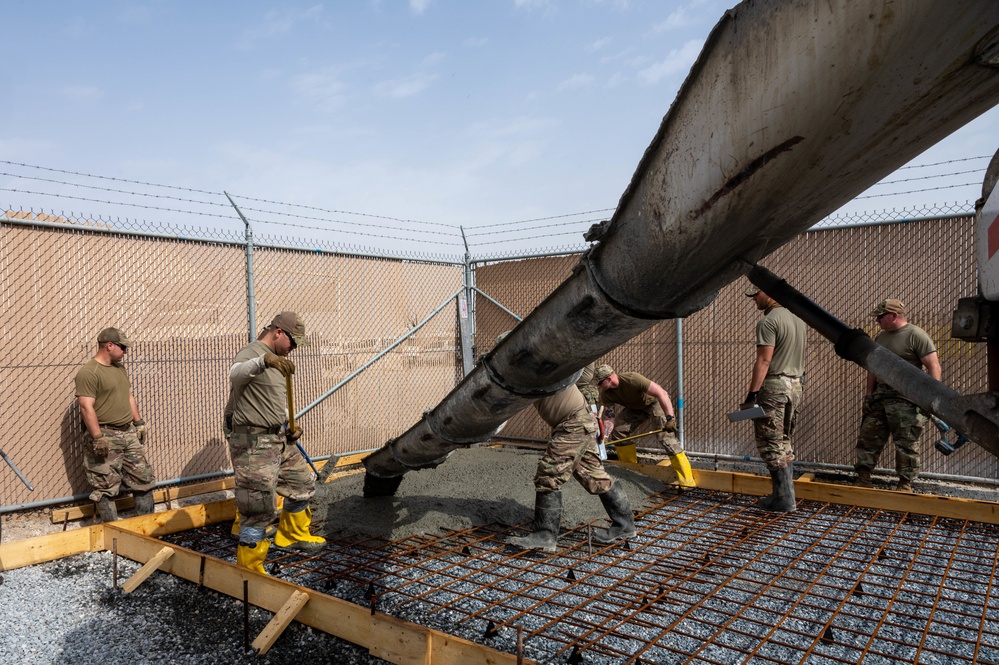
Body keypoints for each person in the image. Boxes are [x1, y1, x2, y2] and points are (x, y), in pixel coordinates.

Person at [497, 335, 635, 551]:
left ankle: (544, 537)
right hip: (580, 422)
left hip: (572, 424)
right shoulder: (531, 368)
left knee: (549, 475)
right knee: (594, 477)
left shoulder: (535, 367)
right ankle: (625, 525)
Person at [228, 311, 325, 574]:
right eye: (292, 342)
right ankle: (249, 566)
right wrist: (264, 360)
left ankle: (291, 535)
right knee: (257, 507)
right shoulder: (253, 352)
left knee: (302, 484)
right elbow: (235, 373)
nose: (293, 349)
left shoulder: (278, 361)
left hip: (277, 437)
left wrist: (289, 425)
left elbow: (270, 400)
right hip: (254, 442)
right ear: (278, 332)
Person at [854, 299, 941, 493]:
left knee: (906, 443)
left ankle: (904, 484)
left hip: (906, 399)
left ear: (893, 316)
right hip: (880, 397)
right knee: (868, 438)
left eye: (880, 316)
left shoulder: (916, 335)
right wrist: (869, 394)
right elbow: (873, 368)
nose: (877, 320)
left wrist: (930, 399)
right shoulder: (881, 337)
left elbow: (933, 366)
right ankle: (863, 478)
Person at [74, 328, 156, 523]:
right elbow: (86, 407)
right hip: (105, 434)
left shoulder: (119, 369)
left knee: (143, 479)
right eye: (123, 347)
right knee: (105, 485)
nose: (125, 352)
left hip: (127, 433)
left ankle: (148, 527)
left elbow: (128, 396)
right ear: (109, 346)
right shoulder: (89, 372)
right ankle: (112, 530)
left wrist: (139, 423)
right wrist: (97, 438)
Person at [741, 285, 807, 512]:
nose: (754, 300)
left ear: (769, 293)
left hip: (775, 386)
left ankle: (783, 500)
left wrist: (752, 395)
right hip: (795, 385)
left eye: (756, 295)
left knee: (770, 442)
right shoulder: (798, 320)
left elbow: (764, 361)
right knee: (784, 440)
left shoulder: (768, 322)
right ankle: (787, 496)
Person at [593, 365, 695, 486]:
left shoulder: (632, 379)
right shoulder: (606, 394)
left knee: (666, 437)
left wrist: (670, 418)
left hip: (653, 404)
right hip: (635, 409)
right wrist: (605, 436)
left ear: (608, 379)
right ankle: (629, 469)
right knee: (619, 431)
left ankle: (686, 479)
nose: (598, 386)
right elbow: (610, 417)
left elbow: (662, 393)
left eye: (600, 383)